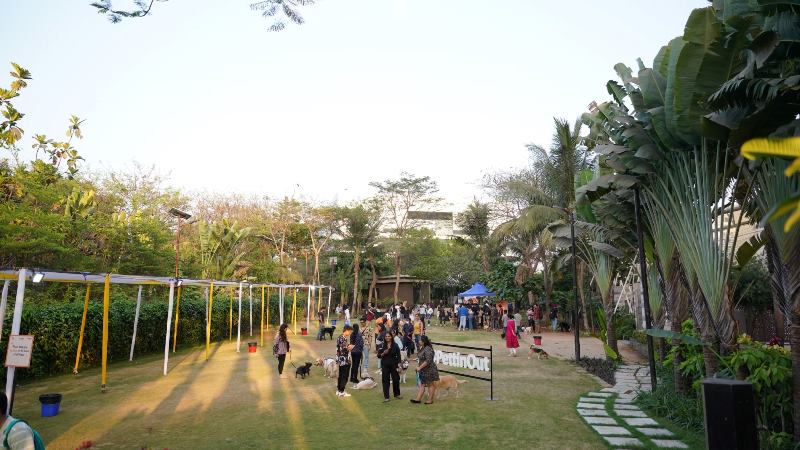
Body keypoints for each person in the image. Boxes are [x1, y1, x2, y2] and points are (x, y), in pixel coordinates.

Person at [411, 335, 439, 404]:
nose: (419, 341)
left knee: (430, 384)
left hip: (429, 370)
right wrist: (417, 362)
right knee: (422, 384)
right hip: (423, 370)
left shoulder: (428, 349)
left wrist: (420, 367)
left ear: (424, 341)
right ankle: (418, 399)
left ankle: (430, 400)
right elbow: (422, 357)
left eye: (420, 340)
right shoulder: (422, 348)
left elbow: (428, 360)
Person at [378, 330, 403, 402]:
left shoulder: (395, 345)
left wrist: (399, 365)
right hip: (385, 365)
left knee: (396, 379)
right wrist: (383, 353)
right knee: (385, 380)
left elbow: (399, 356)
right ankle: (386, 397)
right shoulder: (382, 345)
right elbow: (378, 356)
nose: (387, 337)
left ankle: (397, 394)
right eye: (386, 336)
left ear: (391, 337)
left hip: (394, 364)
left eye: (389, 336)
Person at [336, 325, 354, 397]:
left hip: (342, 360)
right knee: (344, 376)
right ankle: (342, 391)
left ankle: (339, 390)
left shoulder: (341, 337)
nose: (350, 333)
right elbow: (344, 348)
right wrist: (350, 347)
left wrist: (348, 346)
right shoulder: (342, 338)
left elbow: (343, 346)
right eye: (350, 332)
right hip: (344, 360)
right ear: (346, 330)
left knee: (341, 375)